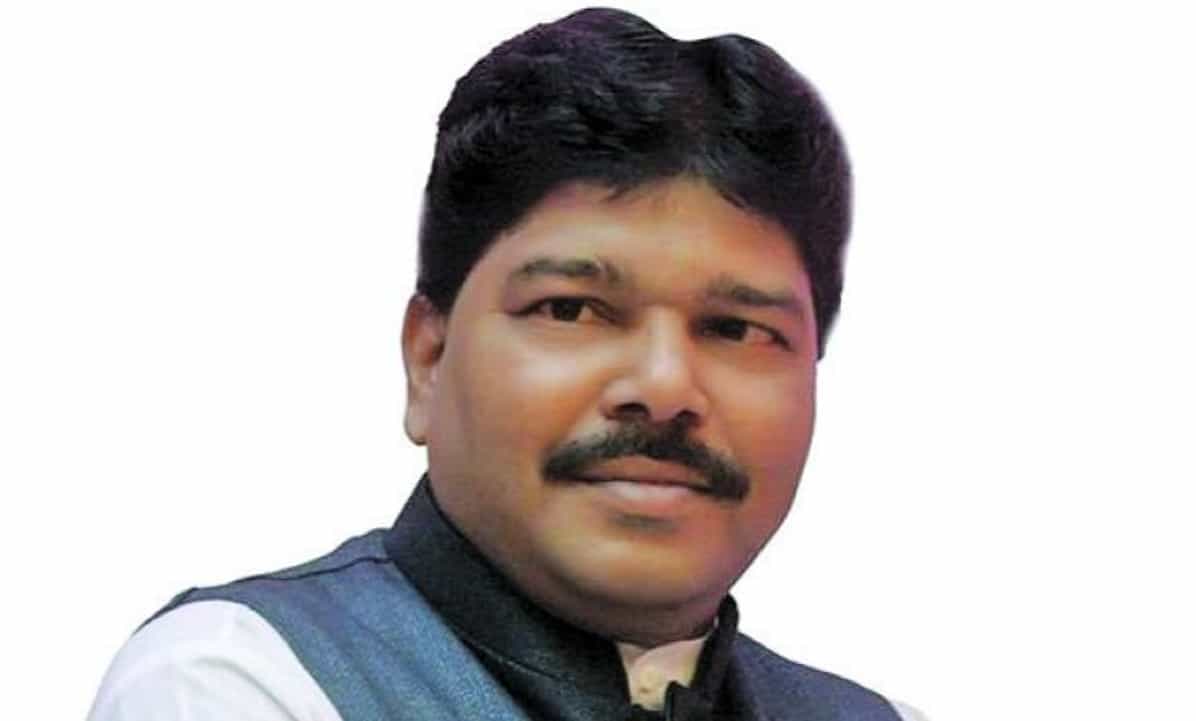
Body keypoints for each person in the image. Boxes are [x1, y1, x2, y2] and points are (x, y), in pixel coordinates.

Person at [88, 8, 924, 721]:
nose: (666, 386)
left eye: (738, 328)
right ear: (428, 359)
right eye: (572, 309)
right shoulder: (244, 679)